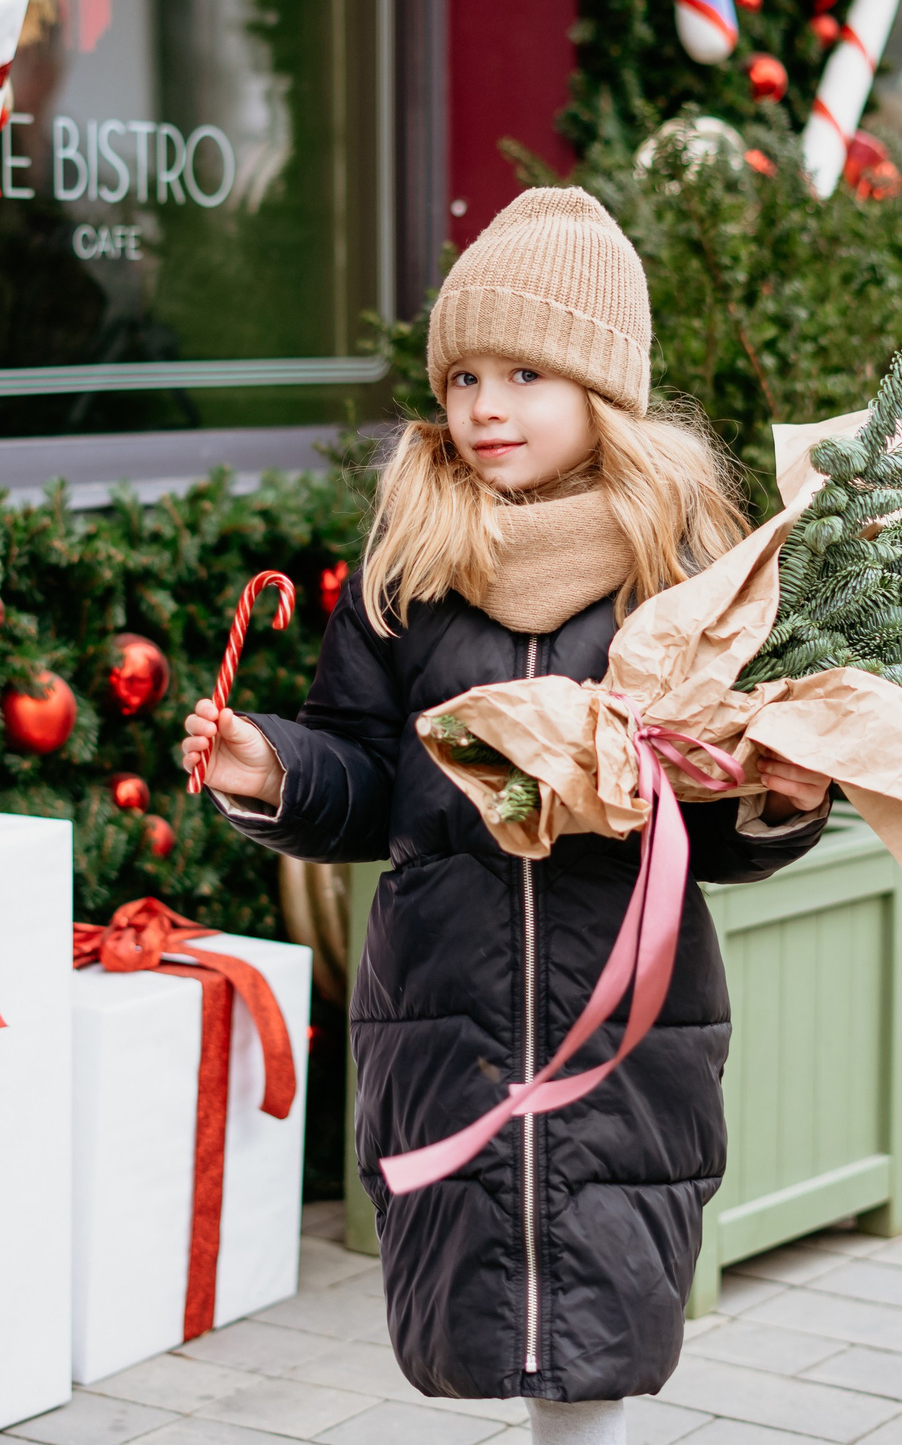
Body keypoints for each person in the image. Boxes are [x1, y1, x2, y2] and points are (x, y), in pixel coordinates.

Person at [186, 187, 832, 1445]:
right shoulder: (409, 566)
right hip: (447, 1011)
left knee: (596, 1336)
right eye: (464, 377)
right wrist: (280, 773)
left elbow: (711, 815)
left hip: (626, 1019)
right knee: (480, 1308)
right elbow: (367, 771)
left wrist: (774, 800)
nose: (485, 406)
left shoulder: (684, 577)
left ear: (604, 391)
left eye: (526, 374)